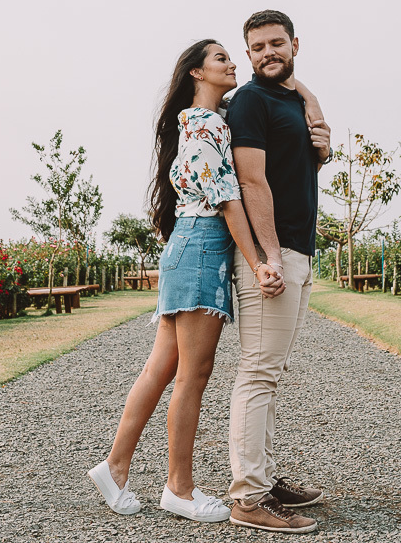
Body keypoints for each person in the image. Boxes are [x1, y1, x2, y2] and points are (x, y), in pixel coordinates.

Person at [88, 39, 284, 523]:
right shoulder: (209, 125)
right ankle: (179, 487)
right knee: (191, 376)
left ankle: (115, 468)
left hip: (187, 247)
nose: (233, 62)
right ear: (197, 73)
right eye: (221, 58)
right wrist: (259, 261)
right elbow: (228, 200)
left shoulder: (194, 124)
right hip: (201, 251)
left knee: (161, 369)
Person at [225, 10, 332, 534]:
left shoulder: (290, 99)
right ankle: (247, 497)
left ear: (294, 44)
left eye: (276, 43)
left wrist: (319, 131)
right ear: (247, 54)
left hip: (297, 250)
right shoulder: (249, 101)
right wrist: (268, 257)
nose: (267, 53)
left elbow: (295, 165)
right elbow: (252, 181)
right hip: (275, 254)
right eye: (257, 47)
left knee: (271, 373)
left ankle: (264, 480)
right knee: (258, 372)